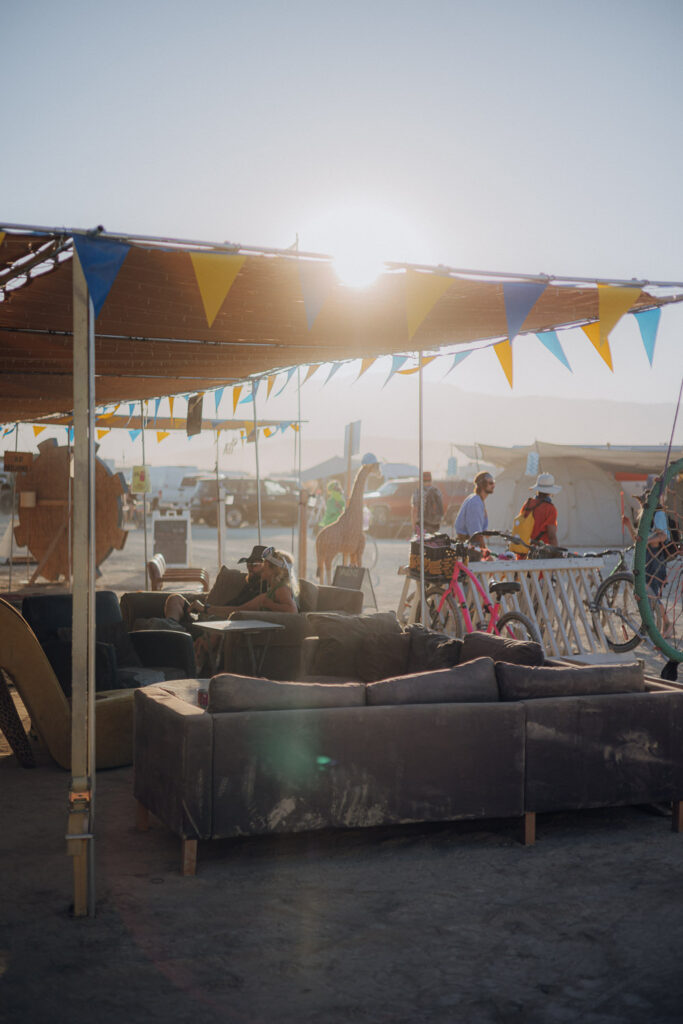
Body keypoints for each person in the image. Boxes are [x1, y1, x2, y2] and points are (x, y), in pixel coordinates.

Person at [622, 487, 672, 638]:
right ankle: (655, 624)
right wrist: (629, 525)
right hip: (644, 557)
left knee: (651, 593)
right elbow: (637, 540)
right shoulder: (646, 516)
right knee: (644, 592)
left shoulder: (659, 514)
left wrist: (646, 541)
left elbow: (663, 536)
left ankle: (666, 622)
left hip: (655, 558)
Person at [515, 472, 561, 553]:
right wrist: (556, 553)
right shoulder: (550, 508)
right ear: (550, 492)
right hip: (540, 553)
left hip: (524, 550)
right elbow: (551, 536)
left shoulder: (528, 503)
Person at [454, 471, 496, 546]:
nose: (493, 485)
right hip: (468, 545)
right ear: (482, 484)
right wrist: (486, 552)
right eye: (490, 483)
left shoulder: (478, 499)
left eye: (493, 482)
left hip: (469, 542)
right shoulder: (475, 503)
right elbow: (476, 534)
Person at [411, 471, 444, 535]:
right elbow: (441, 509)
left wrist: (414, 527)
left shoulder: (418, 492)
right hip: (436, 525)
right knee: (432, 543)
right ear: (431, 480)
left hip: (422, 524)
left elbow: (414, 510)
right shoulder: (437, 491)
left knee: (422, 543)